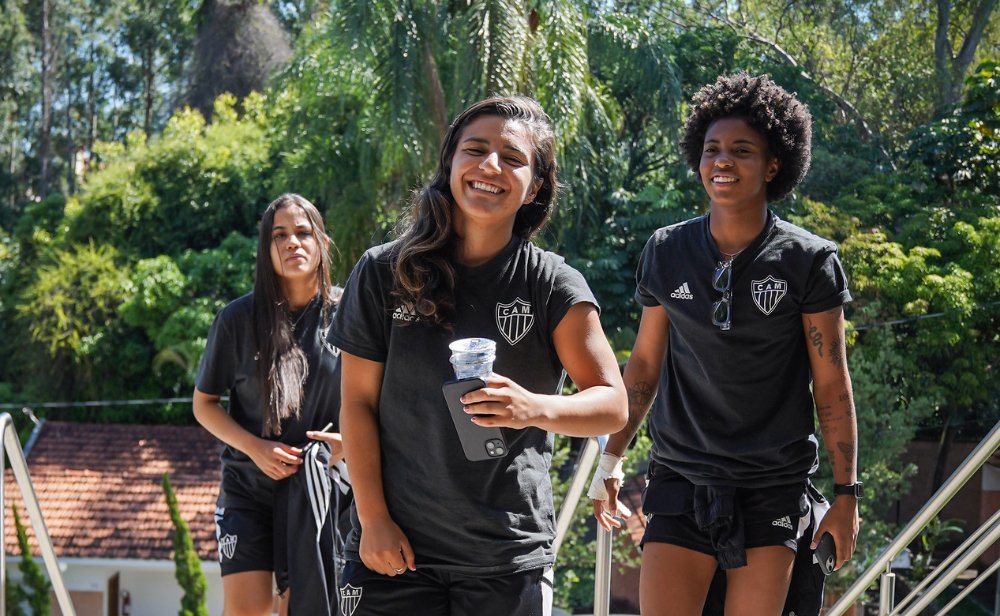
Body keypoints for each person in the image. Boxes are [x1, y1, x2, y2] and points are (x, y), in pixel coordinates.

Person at [329, 95, 628, 615]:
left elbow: (612, 404)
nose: (490, 166)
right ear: (450, 165)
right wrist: (373, 518)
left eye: (512, 158)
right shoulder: (384, 272)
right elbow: (357, 404)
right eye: (475, 150)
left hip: (506, 555)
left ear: (534, 186)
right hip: (393, 550)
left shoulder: (553, 284)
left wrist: (533, 408)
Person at [589, 72, 861, 616]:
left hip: (773, 485)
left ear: (774, 163)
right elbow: (643, 368)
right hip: (680, 477)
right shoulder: (666, 251)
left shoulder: (808, 261)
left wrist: (846, 495)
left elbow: (831, 383)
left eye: (741, 150)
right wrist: (609, 460)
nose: (722, 161)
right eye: (712, 149)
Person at [193, 193, 348, 616]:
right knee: (248, 609)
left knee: (303, 608)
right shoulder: (236, 320)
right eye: (279, 235)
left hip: (322, 489)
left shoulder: (350, 315)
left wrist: (347, 443)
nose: (292, 243)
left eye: (303, 232)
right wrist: (255, 448)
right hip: (248, 490)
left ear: (322, 244)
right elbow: (204, 404)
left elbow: (382, 398)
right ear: (265, 249)